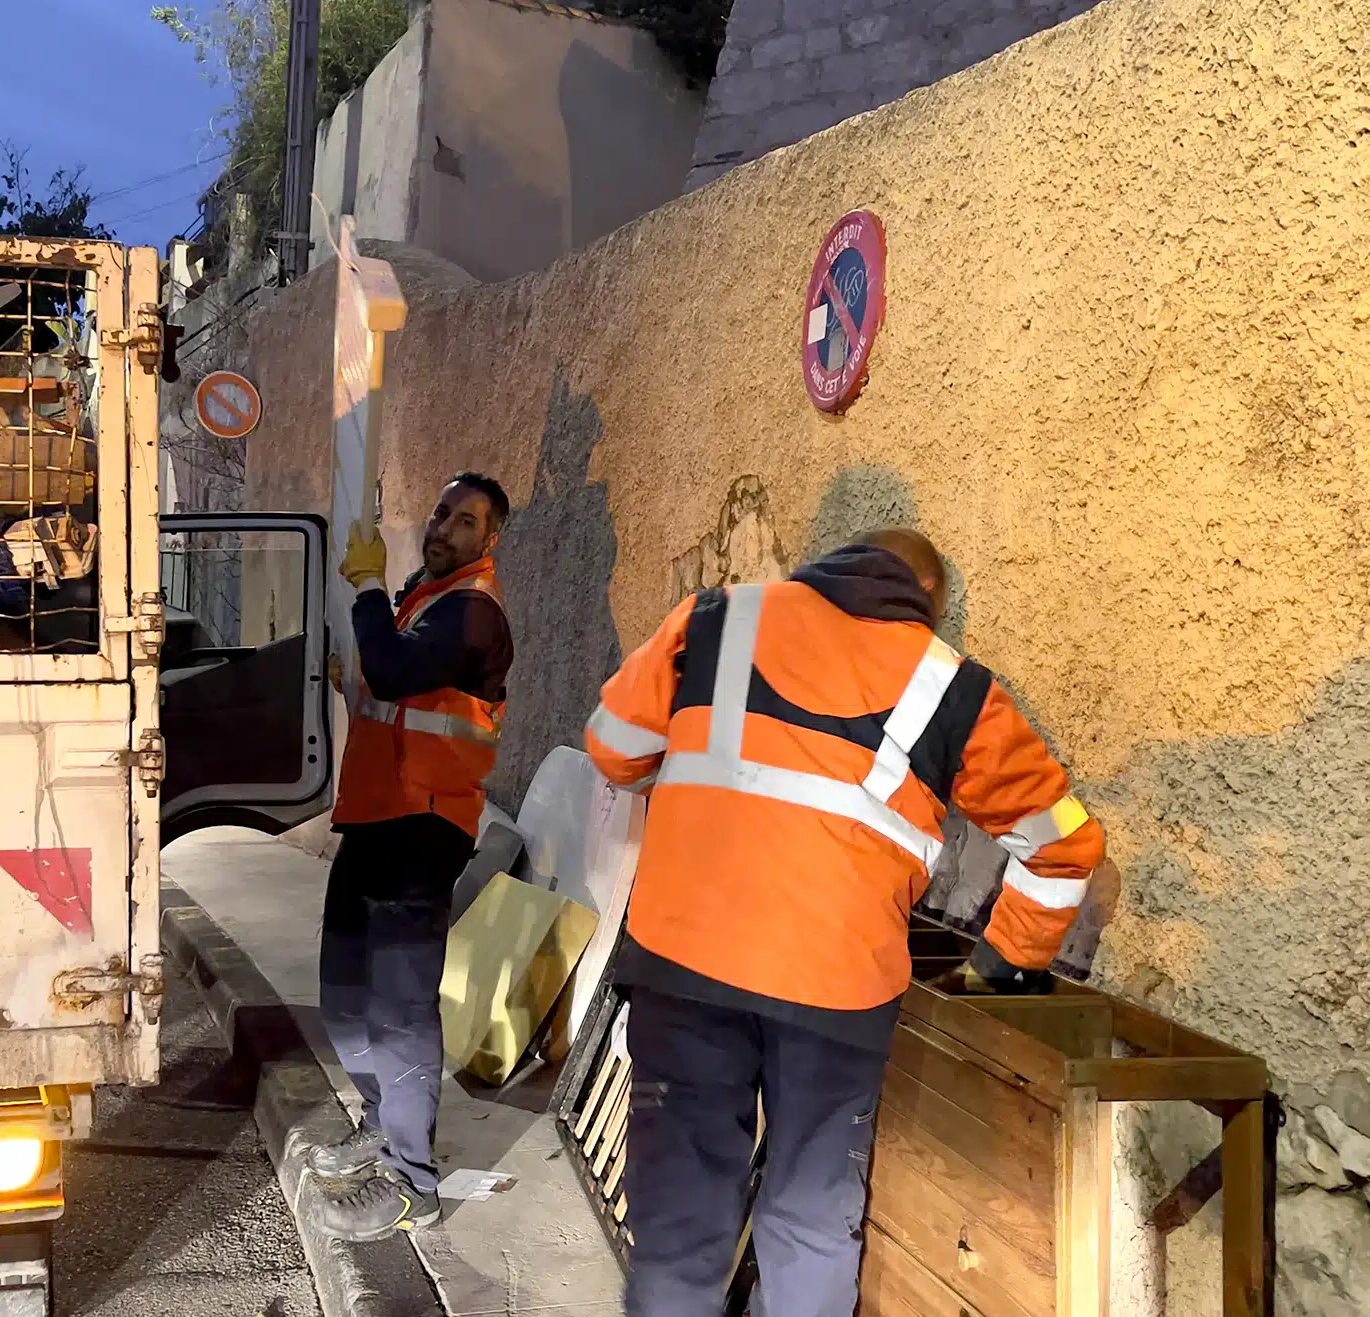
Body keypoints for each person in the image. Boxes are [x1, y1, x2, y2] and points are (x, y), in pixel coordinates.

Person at [583, 528, 1106, 1316]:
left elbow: (612, 747)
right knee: (812, 1221)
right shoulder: (956, 686)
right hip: (836, 993)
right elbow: (1066, 845)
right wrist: (1003, 961)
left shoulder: (716, 617)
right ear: (930, 601)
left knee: (681, 1220)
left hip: (684, 963)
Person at [308, 472, 515, 1242]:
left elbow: (396, 670)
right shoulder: (421, 601)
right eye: (440, 512)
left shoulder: (474, 611)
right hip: (374, 818)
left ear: (486, 541)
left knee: (397, 1007)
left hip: (424, 829)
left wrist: (364, 585)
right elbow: (391, 683)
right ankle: (382, 1120)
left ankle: (410, 1182)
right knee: (343, 992)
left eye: (465, 522)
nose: (444, 528)